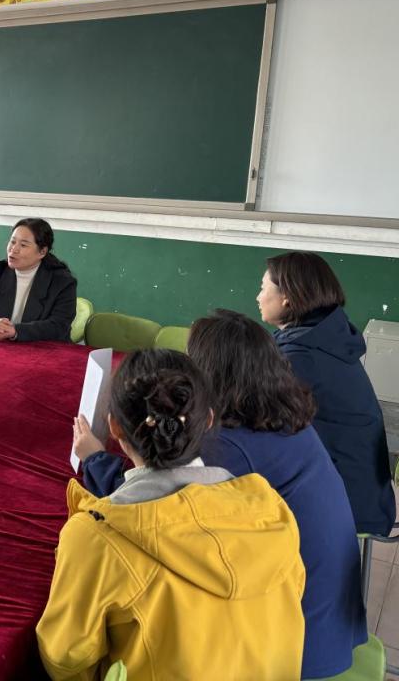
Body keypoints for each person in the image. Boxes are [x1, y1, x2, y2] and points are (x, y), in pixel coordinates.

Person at [78, 310, 366, 679]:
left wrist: (95, 459)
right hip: (323, 612)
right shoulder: (280, 413)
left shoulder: (229, 448)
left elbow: (150, 511)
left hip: (293, 642)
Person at [38, 349, 305, 680]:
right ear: (209, 420)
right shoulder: (271, 509)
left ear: (114, 427)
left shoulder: (95, 537)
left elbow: (65, 659)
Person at [259, 251, 396, 536]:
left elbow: (262, 423)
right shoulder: (324, 336)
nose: (258, 297)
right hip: (367, 494)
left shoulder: (301, 357)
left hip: (347, 504)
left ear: (287, 298)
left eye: (263, 288)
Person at [0, 218, 77, 342]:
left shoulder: (62, 281)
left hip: (44, 348)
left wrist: (15, 331)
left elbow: (59, 325)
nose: (14, 249)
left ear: (42, 252)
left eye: (23, 245)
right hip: (3, 345)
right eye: (12, 242)